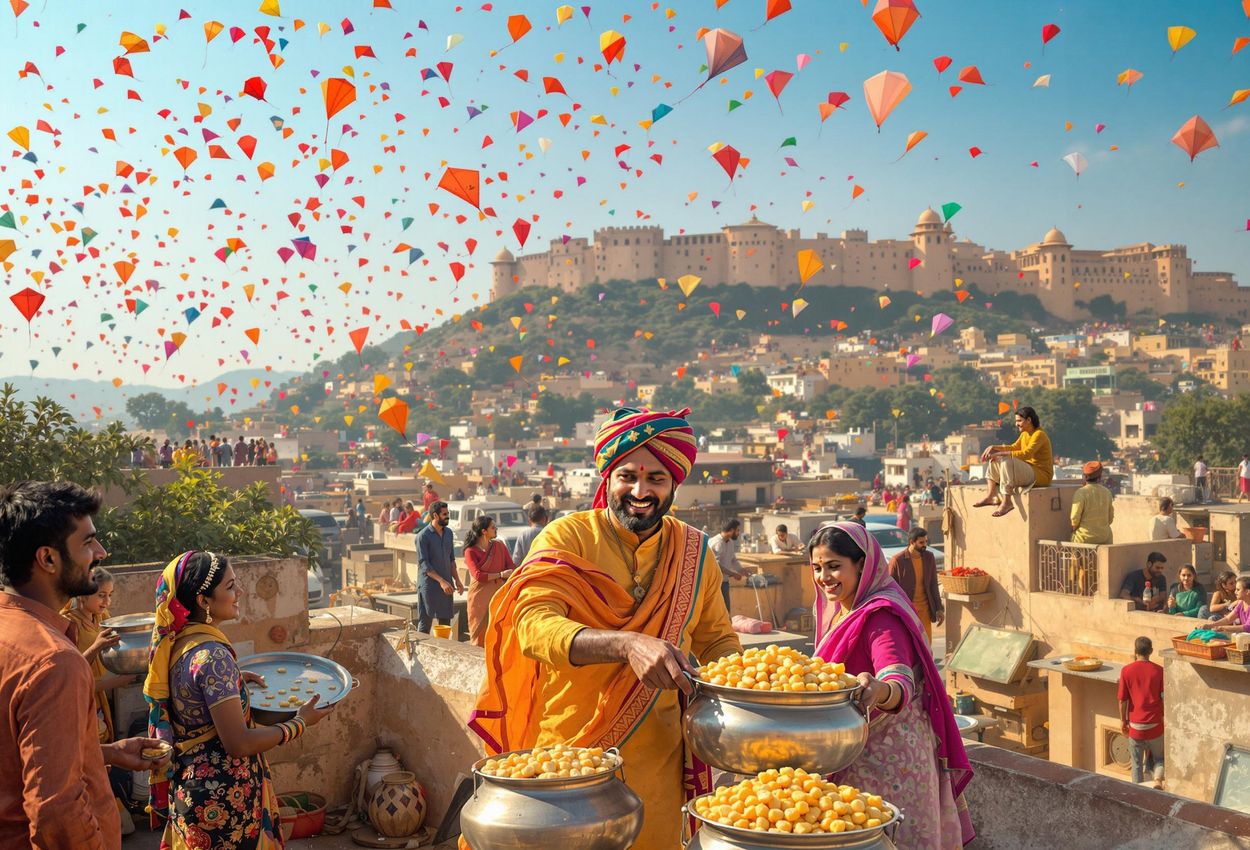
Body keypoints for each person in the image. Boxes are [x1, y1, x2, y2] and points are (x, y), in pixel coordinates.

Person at [470, 406, 741, 850]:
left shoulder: (695, 551)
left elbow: (716, 640)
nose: (640, 490)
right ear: (607, 478)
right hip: (572, 761)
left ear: (674, 483)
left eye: (656, 478)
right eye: (628, 476)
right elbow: (533, 626)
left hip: (660, 763)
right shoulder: (567, 537)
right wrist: (627, 644)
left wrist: (766, 690)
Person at [0, 480, 169, 850]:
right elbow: (56, 813)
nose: (101, 552)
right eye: (88, 542)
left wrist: (101, 753)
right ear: (48, 558)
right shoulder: (53, 661)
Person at [144, 550, 335, 848]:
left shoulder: (179, 646)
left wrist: (233, 683)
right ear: (203, 601)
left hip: (190, 791)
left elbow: (192, 695)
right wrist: (300, 723)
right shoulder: (214, 656)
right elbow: (239, 743)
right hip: (224, 804)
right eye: (231, 587)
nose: (240, 593)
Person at [809, 523, 974, 848]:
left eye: (833, 566)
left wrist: (878, 690)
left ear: (862, 564)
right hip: (856, 755)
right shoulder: (845, 612)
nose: (824, 577)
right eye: (817, 567)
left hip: (890, 763)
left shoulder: (880, 616)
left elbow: (897, 678)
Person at [62, 567, 138, 743]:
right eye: (101, 595)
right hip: (81, 696)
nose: (107, 601)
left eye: (110, 595)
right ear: (82, 594)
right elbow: (70, 673)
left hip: (99, 698)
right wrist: (97, 647)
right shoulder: (68, 623)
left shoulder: (101, 617)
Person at [974, 406, 1053, 518]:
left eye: (1019, 421)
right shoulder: (1025, 434)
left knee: (1006, 459)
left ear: (1029, 420)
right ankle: (991, 495)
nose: (1016, 424)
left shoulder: (1039, 435)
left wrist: (1000, 453)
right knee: (996, 460)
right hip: (1029, 469)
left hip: (1041, 475)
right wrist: (994, 447)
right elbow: (1014, 447)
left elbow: (1027, 454)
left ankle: (1007, 502)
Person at [1117, 636, 1165, 789]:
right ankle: (1158, 780)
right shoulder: (1159, 671)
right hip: (1156, 725)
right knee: (1160, 759)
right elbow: (1164, 697)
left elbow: (1122, 700)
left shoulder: (1126, 671)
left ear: (1135, 651)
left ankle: (1138, 793)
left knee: (1136, 764)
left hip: (1136, 727)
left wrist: (1123, 721)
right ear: (1151, 651)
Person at [464, 516, 517, 646]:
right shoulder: (470, 551)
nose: (496, 529)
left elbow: (511, 566)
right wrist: (500, 574)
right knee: (479, 635)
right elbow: (478, 575)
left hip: (499, 595)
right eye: (493, 527)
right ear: (484, 531)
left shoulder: (499, 546)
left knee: (499, 633)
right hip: (479, 599)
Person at [887, 527, 945, 643]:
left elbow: (933, 584)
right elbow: (889, 588)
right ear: (912, 542)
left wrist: (939, 608)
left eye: (926, 542)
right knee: (909, 645)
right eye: (921, 542)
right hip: (906, 612)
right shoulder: (898, 560)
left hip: (925, 611)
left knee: (926, 645)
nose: (925, 545)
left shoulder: (929, 557)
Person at [415, 501, 463, 634]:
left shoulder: (448, 533)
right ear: (435, 516)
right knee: (425, 625)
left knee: (445, 625)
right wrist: (441, 582)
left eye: (448, 514)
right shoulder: (422, 537)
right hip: (429, 586)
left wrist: (457, 580)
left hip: (447, 585)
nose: (448, 517)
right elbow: (424, 564)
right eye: (445, 514)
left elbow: (451, 559)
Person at [1070, 461, 1114, 544]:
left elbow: (1074, 519)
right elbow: (1110, 519)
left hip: (1084, 540)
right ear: (1099, 477)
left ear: (1085, 476)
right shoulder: (1107, 492)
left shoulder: (1081, 492)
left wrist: (1073, 529)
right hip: (1104, 539)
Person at [709, 518, 747, 610]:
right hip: (714, 584)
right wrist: (733, 574)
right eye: (737, 530)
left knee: (726, 612)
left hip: (724, 582)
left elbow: (733, 559)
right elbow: (716, 565)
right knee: (716, 612)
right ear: (731, 530)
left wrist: (741, 570)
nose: (738, 533)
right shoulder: (717, 543)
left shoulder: (729, 542)